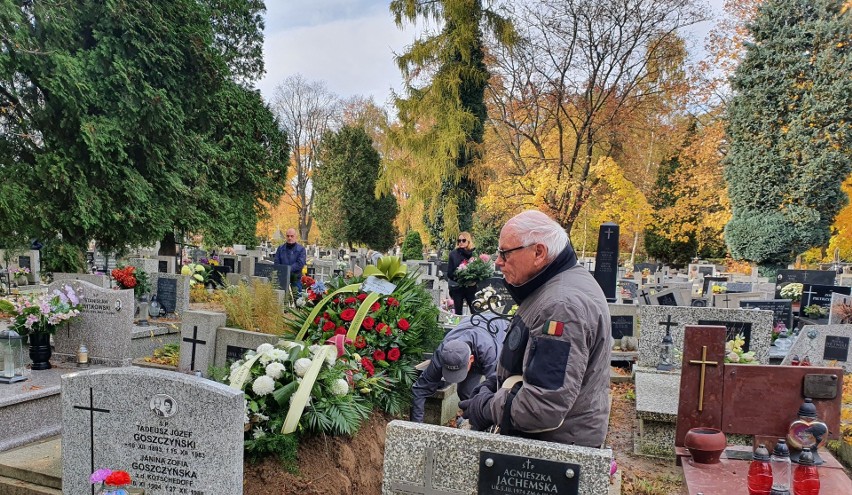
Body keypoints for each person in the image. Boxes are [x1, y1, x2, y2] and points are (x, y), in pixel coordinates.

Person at [459, 210, 612, 448]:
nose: (498, 261)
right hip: (551, 442)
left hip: (553, 453)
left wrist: (487, 408)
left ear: (538, 252)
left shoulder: (561, 307)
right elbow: (532, 360)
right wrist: (494, 384)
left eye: (505, 253)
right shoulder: (555, 285)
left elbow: (543, 406)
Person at [410, 313, 509, 423]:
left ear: (470, 360)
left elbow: (498, 387)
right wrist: (417, 426)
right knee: (465, 392)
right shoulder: (442, 352)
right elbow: (420, 389)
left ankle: (480, 426)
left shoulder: (490, 353)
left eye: (458, 371)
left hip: (499, 331)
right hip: (472, 330)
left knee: (486, 396)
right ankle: (470, 422)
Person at [447, 232, 477, 315]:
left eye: (463, 240)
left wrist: (472, 279)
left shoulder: (474, 253)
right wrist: (461, 278)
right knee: (458, 312)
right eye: (459, 240)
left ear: (468, 241)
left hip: (470, 287)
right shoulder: (453, 254)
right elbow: (449, 273)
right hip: (457, 287)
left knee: (474, 310)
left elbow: (478, 270)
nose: (461, 242)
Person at [274, 228, 306, 293]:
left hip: (295, 280)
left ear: (295, 236)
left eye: (292, 236)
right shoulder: (280, 248)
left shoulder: (301, 249)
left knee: (296, 300)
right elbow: (276, 262)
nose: (289, 238)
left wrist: (288, 269)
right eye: (288, 236)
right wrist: (283, 271)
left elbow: (300, 263)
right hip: (282, 279)